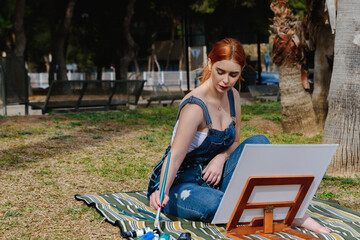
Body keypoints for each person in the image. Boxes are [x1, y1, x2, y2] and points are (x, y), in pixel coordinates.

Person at [147, 38, 330, 234]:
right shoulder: (194, 106)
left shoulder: (233, 96)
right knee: (216, 205)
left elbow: (234, 142)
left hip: (215, 175)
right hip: (182, 181)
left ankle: (284, 210)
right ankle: (281, 212)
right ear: (210, 63)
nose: (226, 80)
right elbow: (174, 157)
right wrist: (162, 192)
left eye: (233, 74)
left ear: (241, 71)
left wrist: (220, 158)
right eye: (220, 72)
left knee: (259, 142)